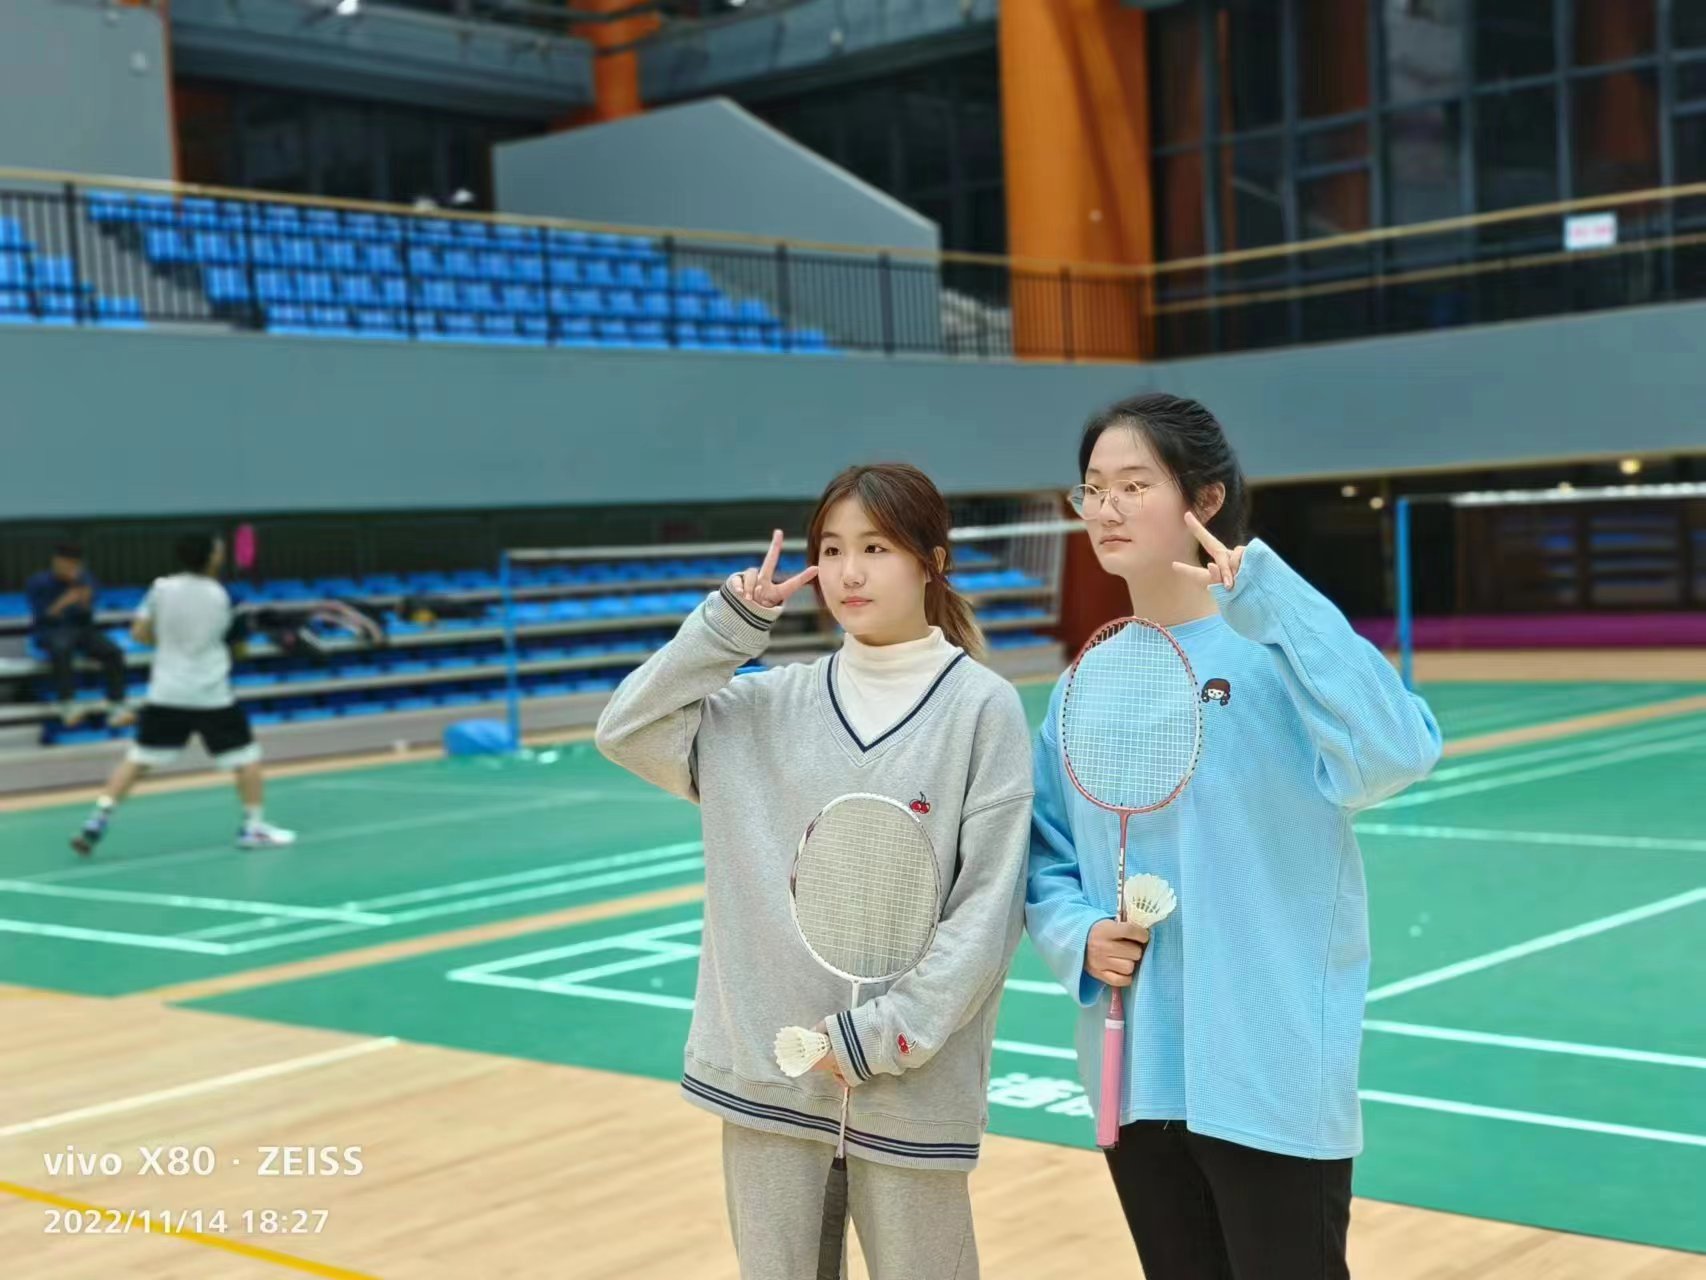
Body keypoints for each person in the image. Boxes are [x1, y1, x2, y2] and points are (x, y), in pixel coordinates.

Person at [1027, 393, 1442, 1280]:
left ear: (1205, 499)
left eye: (1134, 484)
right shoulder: (1083, 684)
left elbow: (1397, 752)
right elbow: (1044, 854)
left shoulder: (1279, 655)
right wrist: (1077, 933)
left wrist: (1272, 597)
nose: (1105, 508)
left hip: (1270, 1069)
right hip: (1136, 1071)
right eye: (1092, 488)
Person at [596, 463, 1033, 1280]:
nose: (849, 572)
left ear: (933, 562)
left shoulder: (982, 709)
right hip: (769, 1084)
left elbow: (988, 910)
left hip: (911, 1089)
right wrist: (726, 630)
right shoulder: (759, 707)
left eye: (876, 547)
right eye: (831, 550)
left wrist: (882, 1038)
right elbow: (626, 730)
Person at [71, 533, 296, 856]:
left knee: (138, 759)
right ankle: (253, 827)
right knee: (246, 759)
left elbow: (139, 633)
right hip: (211, 694)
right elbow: (240, 648)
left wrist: (171, 645)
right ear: (212, 557)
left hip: (167, 691)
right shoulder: (227, 597)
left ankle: (98, 819)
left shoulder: (160, 589)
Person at [25, 544, 134, 728]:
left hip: (82, 628)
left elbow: (87, 613)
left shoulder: (86, 579)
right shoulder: (38, 582)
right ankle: (67, 704)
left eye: (74, 564)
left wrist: (85, 600)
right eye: (66, 563)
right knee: (62, 649)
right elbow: (43, 616)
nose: (70, 568)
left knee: (113, 652)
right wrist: (64, 601)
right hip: (52, 629)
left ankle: (117, 705)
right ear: (56, 562)